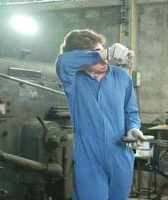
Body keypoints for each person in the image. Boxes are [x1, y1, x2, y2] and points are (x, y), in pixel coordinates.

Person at [55, 29, 146, 200]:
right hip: (89, 158)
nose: (104, 58)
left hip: (120, 154)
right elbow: (63, 61)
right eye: (96, 53)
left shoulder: (121, 77)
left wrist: (133, 128)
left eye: (103, 50)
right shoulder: (72, 80)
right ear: (81, 58)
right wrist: (106, 52)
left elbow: (131, 111)